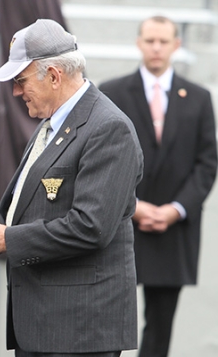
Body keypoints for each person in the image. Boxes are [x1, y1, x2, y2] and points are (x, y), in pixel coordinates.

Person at [0, 19, 144, 357]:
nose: (16, 92)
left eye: (20, 81)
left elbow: (90, 227)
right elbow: (11, 211)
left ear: (54, 76)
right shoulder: (50, 125)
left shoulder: (108, 128)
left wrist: (6, 239)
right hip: (42, 324)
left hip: (79, 331)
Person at [99, 16, 218, 357]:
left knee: (159, 329)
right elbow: (101, 158)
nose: (156, 47)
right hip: (119, 225)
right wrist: (133, 205)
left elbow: (207, 163)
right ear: (139, 42)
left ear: (176, 46)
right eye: (150, 40)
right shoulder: (112, 92)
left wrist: (175, 210)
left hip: (173, 230)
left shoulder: (198, 98)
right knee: (105, 323)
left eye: (163, 41)